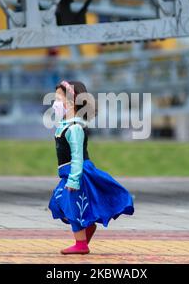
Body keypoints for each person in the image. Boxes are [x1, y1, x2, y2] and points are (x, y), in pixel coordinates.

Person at [48, 80, 135, 255]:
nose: (55, 103)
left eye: (59, 99)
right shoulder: (65, 125)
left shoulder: (74, 128)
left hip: (77, 174)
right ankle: (87, 229)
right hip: (67, 174)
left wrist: (74, 180)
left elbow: (77, 157)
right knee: (57, 204)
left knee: (72, 207)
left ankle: (81, 244)